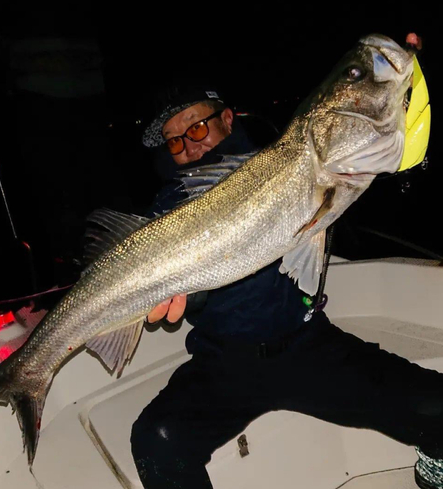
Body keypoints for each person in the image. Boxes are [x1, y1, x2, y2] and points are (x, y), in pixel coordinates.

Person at [130, 85, 443, 489]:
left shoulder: (290, 163)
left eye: (196, 127)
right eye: (174, 141)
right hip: (224, 364)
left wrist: (402, 85)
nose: (188, 146)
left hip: (309, 347)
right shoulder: (169, 208)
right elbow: (171, 290)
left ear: (228, 119)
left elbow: (370, 147)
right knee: (157, 440)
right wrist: (190, 292)